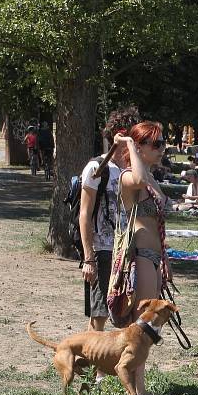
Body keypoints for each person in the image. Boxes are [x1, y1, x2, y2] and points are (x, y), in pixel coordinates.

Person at [113, 120, 171, 395]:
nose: (162, 149)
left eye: (162, 143)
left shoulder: (149, 176)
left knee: (146, 326)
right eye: (156, 144)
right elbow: (136, 178)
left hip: (155, 259)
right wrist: (127, 146)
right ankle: (137, 389)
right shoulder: (129, 177)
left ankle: (137, 386)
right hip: (142, 258)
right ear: (139, 146)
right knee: (141, 326)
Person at [80, 112, 136, 334]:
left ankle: (111, 364)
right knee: (100, 313)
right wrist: (88, 258)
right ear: (119, 136)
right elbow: (85, 213)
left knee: (126, 310)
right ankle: (95, 366)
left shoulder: (133, 170)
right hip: (103, 249)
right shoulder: (97, 168)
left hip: (127, 249)